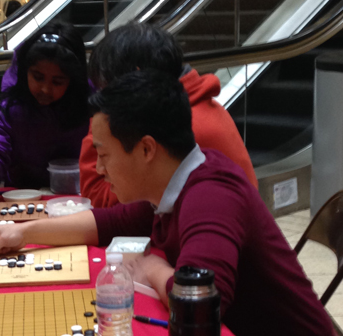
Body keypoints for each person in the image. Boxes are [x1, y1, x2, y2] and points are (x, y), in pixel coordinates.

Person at [0, 70, 343, 336]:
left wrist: (153, 267)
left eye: (105, 155)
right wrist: (22, 233)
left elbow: (202, 305)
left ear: (146, 149)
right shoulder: (174, 181)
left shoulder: (210, 195)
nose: (101, 169)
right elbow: (106, 223)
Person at [79, 23, 257, 206]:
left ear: (137, 78)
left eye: (106, 90)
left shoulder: (179, 127)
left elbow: (101, 199)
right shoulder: (191, 109)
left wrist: (103, 122)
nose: (105, 98)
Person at [0, 23, 90, 216]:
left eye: (57, 82)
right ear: (24, 72)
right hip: (23, 199)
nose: (45, 89)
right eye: (38, 77)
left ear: (73, 81)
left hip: (79, 201)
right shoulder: (9, 108)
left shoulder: (91, 107)